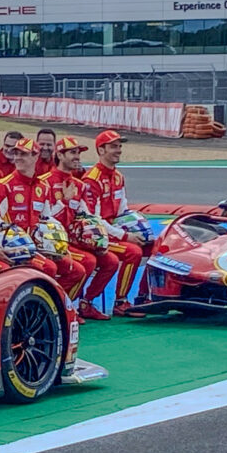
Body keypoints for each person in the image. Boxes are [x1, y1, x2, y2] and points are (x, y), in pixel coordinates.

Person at [0, 138, 85, 295]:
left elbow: (47, 218)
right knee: (48, 267)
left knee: (77, 270)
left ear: (36, 157)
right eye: (16, 153)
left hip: (38, 247)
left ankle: (58, 306)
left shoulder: (43, 187)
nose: (18, 157)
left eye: (24, 154)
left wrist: (53, 244)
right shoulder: (3, 186)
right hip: (14, 248)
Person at [41, 136, 116, 321]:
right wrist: (64, 201)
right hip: (52, 242)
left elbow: (87, 216)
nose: (77, 157)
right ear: (59, 154)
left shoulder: (79, 185)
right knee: (88, 262)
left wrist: (99, 239)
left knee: (111, 260)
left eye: (78, 153)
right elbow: (44, 219)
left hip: (75, 240)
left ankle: (86, 303)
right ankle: (63, 307)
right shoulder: (44, 183)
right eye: (73, 153)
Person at [82, 130, 151, 317]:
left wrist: (138, 229)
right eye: (114, 146)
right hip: (95, 236)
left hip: (114, 231)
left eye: (119, 146)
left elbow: (123, 212)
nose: (118, 150)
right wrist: (126, 236)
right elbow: (93, 221)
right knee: (133, 251)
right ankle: (115, 301)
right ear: (101, 150)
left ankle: (144, 296)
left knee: (152, 246)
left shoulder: (119, 177)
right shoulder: (91, 180)